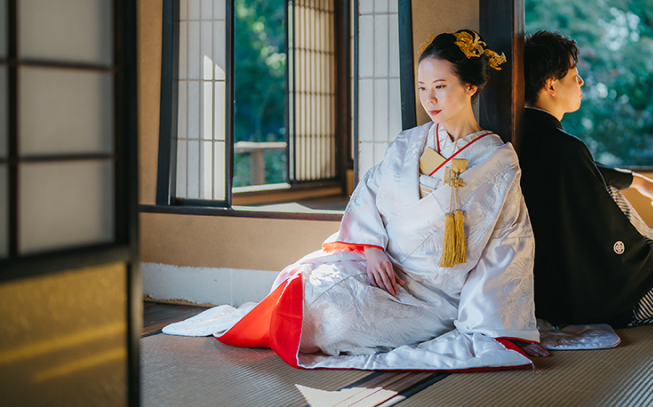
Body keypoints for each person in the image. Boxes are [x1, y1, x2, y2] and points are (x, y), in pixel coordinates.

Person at [165, 30, 549, 370]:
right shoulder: (408, 143)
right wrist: (371, 248)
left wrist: (497, 325)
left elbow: (507, 244)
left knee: (337, 315)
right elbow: (369, 193)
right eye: (421, 87)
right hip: (382, 265)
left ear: (469, 87)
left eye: (440, 86)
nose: (429, 98)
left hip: (432, 294)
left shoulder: (496, 162)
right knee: (304, 281)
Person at [519, 30, 653, 328]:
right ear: (550, 84)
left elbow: (591, 176)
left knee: (612, 192)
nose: (581, 82)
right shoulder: (564, 149)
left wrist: (640, 182)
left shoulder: (530, 135)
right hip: (588, 296)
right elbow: (603, 232)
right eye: (574, 75)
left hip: (549, 286)